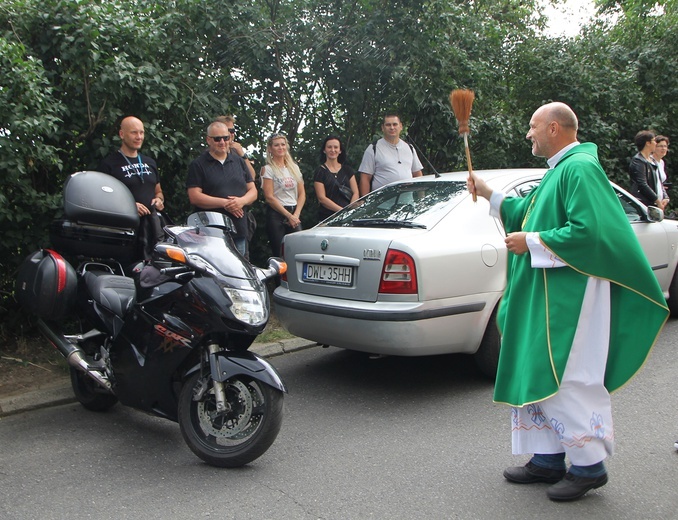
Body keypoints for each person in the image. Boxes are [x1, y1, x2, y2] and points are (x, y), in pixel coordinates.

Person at [468, 102, 668, 502]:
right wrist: (490, 193)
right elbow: (528, 213)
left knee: (568, 374)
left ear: (554, 128)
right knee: (539, 369)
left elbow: (590, 232)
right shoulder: (561, 169)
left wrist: (533, 242)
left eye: (532, 126)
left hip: (570, 299)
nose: (529, 134)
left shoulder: (579, 169)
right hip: (546, 294)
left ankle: (589, 466)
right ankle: (547, 458)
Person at [186, 120, 257, 258]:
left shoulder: (239, 162)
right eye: (217, 139)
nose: (222, 142)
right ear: (208, 140)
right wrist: (225, 203)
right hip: (210, 232)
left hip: (239, 230)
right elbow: (194, 196)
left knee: (240, 274)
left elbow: (253, 191)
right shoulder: (198, 164)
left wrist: (241, 202)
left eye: (226, 138)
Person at [98, 115, 165, 262]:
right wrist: (129, 206)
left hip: (151, 230)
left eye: (141, 132)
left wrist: (159, 200)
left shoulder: (150, 162)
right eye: (134, 132)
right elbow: (102, 200)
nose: (139, 137)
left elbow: (158, 192)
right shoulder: (109, 164)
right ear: (122, 134)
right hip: (124, 232)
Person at [358, 112, 423, 196]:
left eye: (395, 124)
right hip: (382, 202)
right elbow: (365, 178)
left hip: (407, 202)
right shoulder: (373, 148)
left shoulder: (409, 148)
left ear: (401, 126)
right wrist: (364, 202)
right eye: (388, 125)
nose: (392, 128)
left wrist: (421, 197)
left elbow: (417, 174)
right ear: (382, 128)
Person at [261, 133, 305, 257]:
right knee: (280, 253)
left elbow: (302, 194)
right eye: (276, 145)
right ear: (270, 148)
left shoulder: (294, 167)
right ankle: (278, 277)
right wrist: (287, 215)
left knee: (297, 252)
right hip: (277, 214)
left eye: (282, 144)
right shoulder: (267, 169)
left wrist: (295, 215)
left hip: (294, 211)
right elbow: (269, 197)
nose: (280, 148)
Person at [313, 135, 359, 222]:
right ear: (324, 150)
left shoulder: (347, 170)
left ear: (340, 150)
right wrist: (341, 211)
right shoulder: (320, 171)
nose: (333, 150)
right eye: (329, 147)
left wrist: (349, 210)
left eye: (336, 147)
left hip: (348, 217)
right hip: (327, 217)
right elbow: (321, 198)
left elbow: (355, 192)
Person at [629, 130, 669, 210]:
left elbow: (659, 181)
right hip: (645, 204)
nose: (656, 143)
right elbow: (642, 184)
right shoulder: (638, 161)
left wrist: (665, 197)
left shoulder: (653, 161)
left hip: (655, 205)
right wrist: (657, 200)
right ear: (648, 143)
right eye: (654, 141)